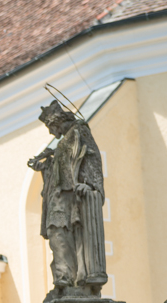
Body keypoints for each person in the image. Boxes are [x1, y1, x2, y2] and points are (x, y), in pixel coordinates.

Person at [27, 100, 107, 292]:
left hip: (72, 196)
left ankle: (71, 276)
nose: (50, 133)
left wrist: (89, 184)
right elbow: (60, 168)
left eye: (50, 127)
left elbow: (91, 159)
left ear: (57, 122)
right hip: (57, 195)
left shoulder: (79, 132)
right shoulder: (63, 142)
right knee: (56, 233)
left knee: (68, 234)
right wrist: (44, 165)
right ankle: (63, 276)